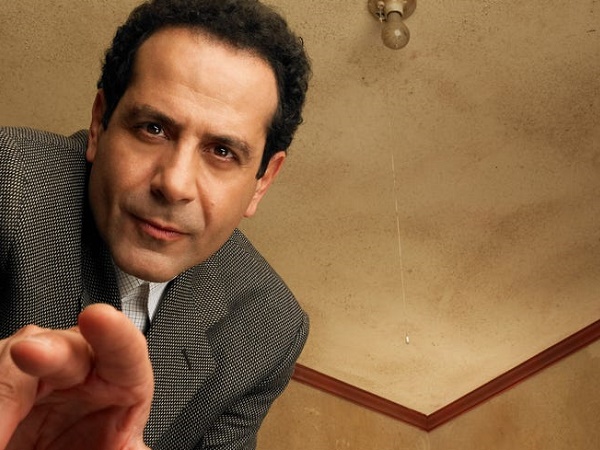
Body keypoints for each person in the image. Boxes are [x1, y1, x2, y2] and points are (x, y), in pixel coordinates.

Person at [0, 0, 311, 448]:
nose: (175, 184)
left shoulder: (269, 327)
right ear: (99, 123)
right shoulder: (8, 181)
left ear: (262, 181)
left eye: (222, 152)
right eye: (153, 128)